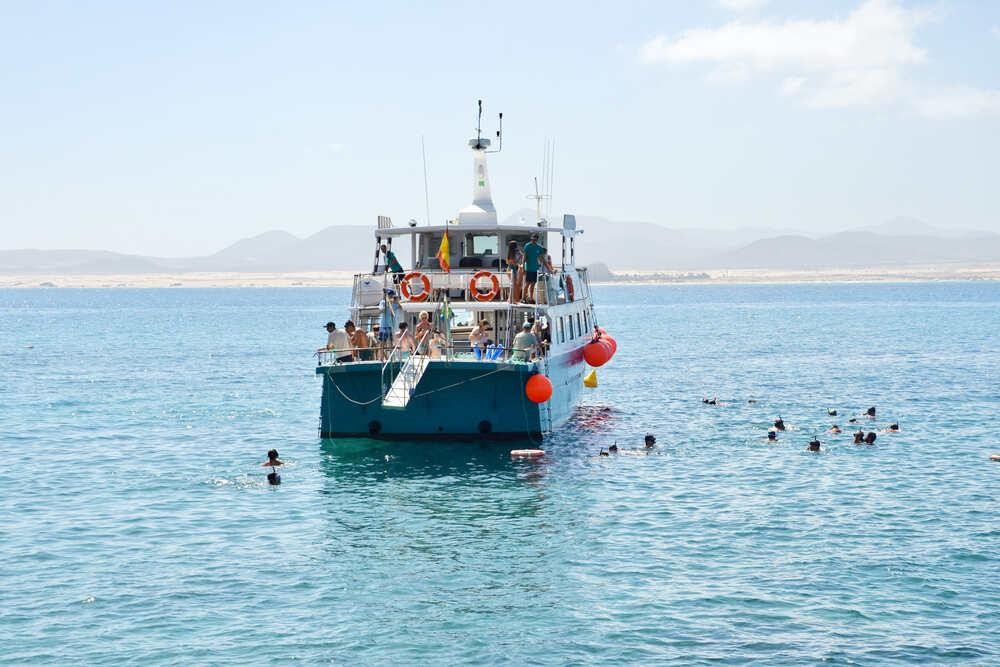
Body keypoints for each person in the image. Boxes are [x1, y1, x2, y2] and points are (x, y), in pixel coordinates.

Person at [521, 233, 549, 304]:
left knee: (533, 284)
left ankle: (530, 298)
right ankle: (523, 298)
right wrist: (523, 267)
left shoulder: (539, 247)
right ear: (531, 238)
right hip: (529, 268)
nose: (533, 240)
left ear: (537, 239)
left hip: (535, 269)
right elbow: (524, 257)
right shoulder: (527, 246)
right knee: (527, 284)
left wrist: (549, 269)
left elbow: (542, 258)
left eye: (535, 239)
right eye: (533, 238)